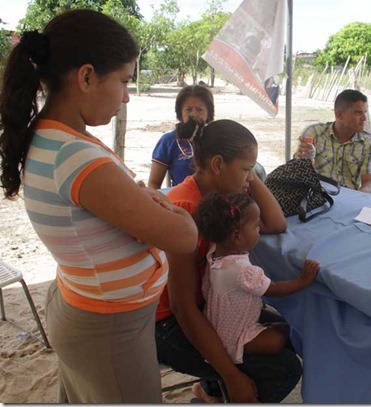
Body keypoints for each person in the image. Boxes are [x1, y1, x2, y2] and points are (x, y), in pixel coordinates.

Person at [0, 9, 198, 403]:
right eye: (124, 80)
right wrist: (162, 207)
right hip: (108, 326)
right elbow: (183, 237)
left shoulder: (51, 135)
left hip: (86, 305)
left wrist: (144, 202)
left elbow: (119, 206)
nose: (126, 95)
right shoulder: (74, 157)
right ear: (87, 76)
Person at [154, 119, 302, 403]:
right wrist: (231, 376)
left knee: (291, 333)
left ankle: (210, 392)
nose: (251, 177)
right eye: (247, 169)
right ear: (218, 164)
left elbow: (276, 222)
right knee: (284, 368)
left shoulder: (224, 199)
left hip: (210, 305)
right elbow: (181, 306)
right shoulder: (185, 209)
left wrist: (248, 177)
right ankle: (221, 391)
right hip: (167, 323)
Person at [195, 192, 319, 364]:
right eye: (256, 227)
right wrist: (303, 281)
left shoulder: (214, 252)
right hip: (235, 338)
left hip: (217, 328)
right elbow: (274, 289)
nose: (259, 229)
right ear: (237, 236)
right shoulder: (242, 270)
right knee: (278, 339)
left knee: (280, 327)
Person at [294, 89, 371, 201]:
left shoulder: (369, 142)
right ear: (339, 115)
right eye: (358, 113)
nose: (364, 118)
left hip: (355, 197)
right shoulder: (315, 133)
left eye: (365, 112)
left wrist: (358, 198)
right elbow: (299, 170)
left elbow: (369, 183)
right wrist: (301, 156)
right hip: (320, 197)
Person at [148, 85, 215, 189]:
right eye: (188, 109)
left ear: (208, 113)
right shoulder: (168, 141)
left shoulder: (217, 139)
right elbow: (154, 184)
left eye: (199, 109)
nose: (194, 114)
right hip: (179, 202)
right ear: (180, 113)